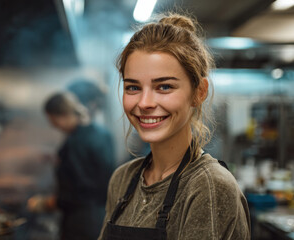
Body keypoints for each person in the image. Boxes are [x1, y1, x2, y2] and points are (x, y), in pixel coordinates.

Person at [98, 13, 250, 240]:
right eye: (133, 88)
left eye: (165, 87)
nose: (145, 103)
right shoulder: (122, 180)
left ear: (199, 92)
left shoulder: (208, 186)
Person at [29, 92, 115, 240]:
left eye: (52, 120)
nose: (53, 125)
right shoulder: (101, 133)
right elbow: (94, 172)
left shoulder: (76, 142)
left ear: (61, 116)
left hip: (81, 222)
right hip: (103, 215)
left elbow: (80, 191)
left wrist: (48, 203)